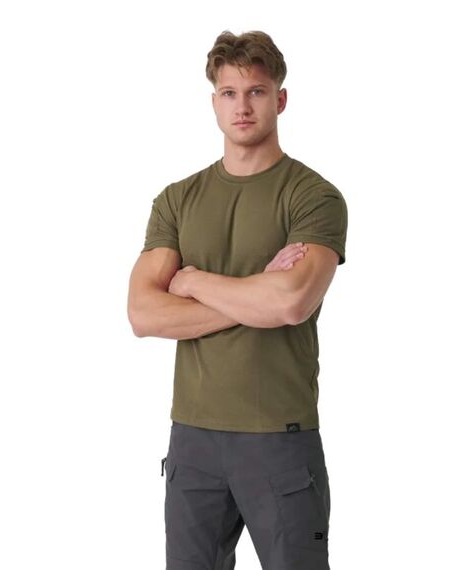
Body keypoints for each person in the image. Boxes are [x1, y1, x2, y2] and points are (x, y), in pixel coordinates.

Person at [127, 30, 348, 570]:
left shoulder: (313, 196)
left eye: (256, 92)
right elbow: (143, 313)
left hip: (279, 437)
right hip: (193, 438)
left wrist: (191, 280)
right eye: (229, 93)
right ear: (214, 103)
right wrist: (255, 292)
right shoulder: (177, 199)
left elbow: (290, 302)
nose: (242, 106)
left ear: (281, 99)